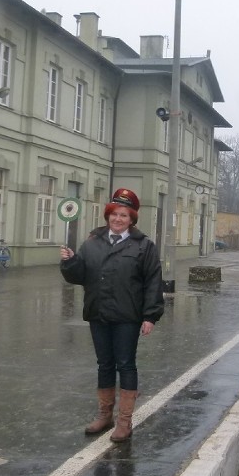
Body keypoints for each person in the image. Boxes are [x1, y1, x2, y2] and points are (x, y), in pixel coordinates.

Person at [59, 188, 164, 442]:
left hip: (128, 316)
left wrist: (150, 315)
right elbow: (80, 276)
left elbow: (153, 281)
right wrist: (70, 262)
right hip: (99, 313)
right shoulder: (92, 242)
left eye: (124, 215)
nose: (118, 219)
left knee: (125, 364)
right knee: (104, 364)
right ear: (108, 216)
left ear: (132, 219)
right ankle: (104, 416)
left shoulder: (144, 246)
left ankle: (124, 422)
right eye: (114, 214)